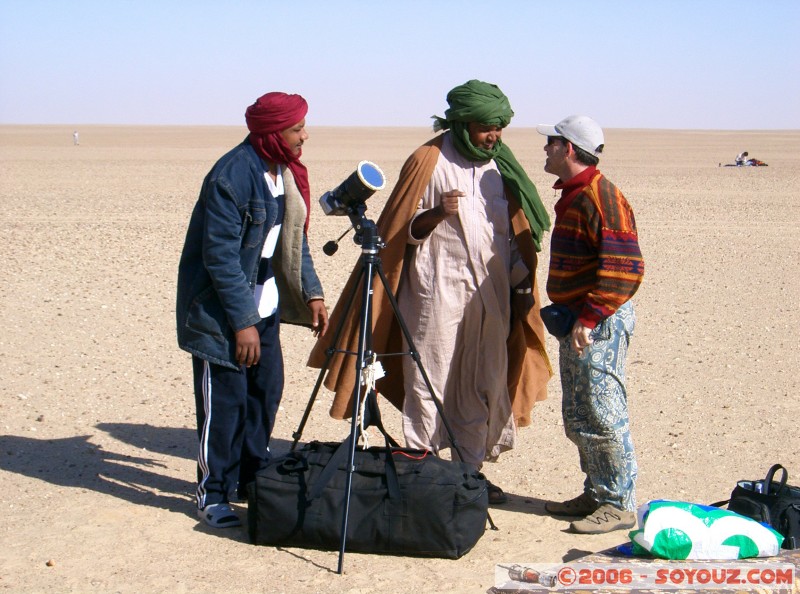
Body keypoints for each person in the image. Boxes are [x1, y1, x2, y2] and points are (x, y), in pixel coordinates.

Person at [308, 80, 552, 504]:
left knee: (483, 378)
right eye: (484, 128)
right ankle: (420, 469)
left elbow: (515, 233)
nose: (493, 136)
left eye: (498, 128)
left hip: (490, 295)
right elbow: (402, 232)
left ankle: (468, 472)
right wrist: (439, 212)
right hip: (435, 291)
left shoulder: (501, 165)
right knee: (430, 374)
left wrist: (520, 285)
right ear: (460, 124)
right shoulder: (429, 160)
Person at [176, 92, 329, 528]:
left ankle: (248, 479)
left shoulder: (284, 172)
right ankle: (213, 494)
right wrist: (242, 322)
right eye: (297, 129)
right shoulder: (233, 175)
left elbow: (292, 244)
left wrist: (312, 293)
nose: (304, 136)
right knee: (224, 406)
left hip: (265, 310)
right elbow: (220, 258)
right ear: (272, 132)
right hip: (221, 317)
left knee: (264, 395)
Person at [536, 115, 644, 533]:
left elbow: (626, 267)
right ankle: (598, 491)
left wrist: (591, 315)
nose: (545, 149)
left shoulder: (601, 197)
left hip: (597, 321)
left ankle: (619, 503)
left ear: (568, 148)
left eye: (551, 142)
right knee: (579, 412)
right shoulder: (576, 193)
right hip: (579, 320)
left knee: (602, 411)